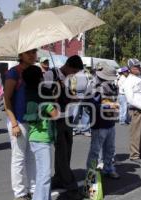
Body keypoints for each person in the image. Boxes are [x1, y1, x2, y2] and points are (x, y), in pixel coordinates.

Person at [43, 55, 84, 199]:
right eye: (74, 71)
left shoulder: (69, 78)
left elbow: (69, 95)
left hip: (68, 117)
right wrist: (57, 88)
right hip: (56, 118)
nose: (74, 74)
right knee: (62, 151)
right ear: (68, 66)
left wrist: (73, 97)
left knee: (67, 151)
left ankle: (59, 177)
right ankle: (71, 186)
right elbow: (45, 95)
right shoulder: (50, 74)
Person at [4, 49, 37, 200]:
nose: (32, 55)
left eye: (34, 52)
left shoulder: (35, 72)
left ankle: (33, 188)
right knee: (18, 158)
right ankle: (20, 193)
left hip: (33, 121)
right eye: (28, 52)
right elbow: (7, 100)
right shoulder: (14, 73)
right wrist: (14, 123)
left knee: (32, 157)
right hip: (18, 121)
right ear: (20, 55)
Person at [22, 65, 59, 200]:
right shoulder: (42, 97)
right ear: (39, 78)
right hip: (42, 138)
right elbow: (55, 114)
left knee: (42, 174)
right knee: (44, 174)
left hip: (34, 136)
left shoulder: (29, 93)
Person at [86, 62, 120, 179]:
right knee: (95, 151)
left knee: (110, 149)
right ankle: (91, 175)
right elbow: (91, 105)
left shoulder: (110, 85)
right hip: (99, 124)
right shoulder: (94, 87)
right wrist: (109, 106)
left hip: (110, 122)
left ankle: (108, 168)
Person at [123, 58, 141, 164]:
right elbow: (130, 99)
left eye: (139, 66)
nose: (139, 68)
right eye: (136, 67)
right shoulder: (128, 81)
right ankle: (134, 155)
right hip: (137, 110)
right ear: (131, 69)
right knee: (136, 133)